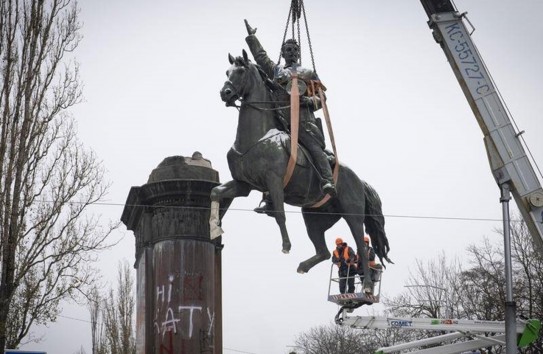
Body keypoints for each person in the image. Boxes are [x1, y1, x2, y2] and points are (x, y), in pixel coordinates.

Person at [243, 19, 336, 216]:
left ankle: (327, 180)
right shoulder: (277, 71)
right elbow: (261, 57)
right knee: (268, 156)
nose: (291, 52)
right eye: (288, 50)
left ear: (298, 53)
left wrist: (309, 102)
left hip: (304, 122)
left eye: (295, 50)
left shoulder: (308, 72)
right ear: (283, 53)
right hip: (281, 122)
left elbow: (322, 98)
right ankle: (269, 198)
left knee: (312, 147)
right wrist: (252, 38)